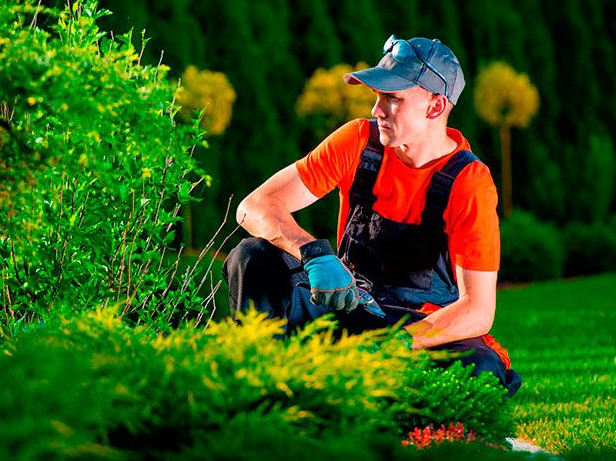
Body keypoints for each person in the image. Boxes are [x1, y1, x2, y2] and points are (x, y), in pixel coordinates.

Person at [223, 35, 521, 397]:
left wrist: (389, 348)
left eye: (393, 98)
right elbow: (252, 206)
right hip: (346, 304)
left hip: (415, 330)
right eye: (378, 96)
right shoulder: (357, 142)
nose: (377, 110)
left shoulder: (469, 183)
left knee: (480, 368)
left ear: (435, 106)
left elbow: (477, 310)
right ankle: (263, 392)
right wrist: (313, 253)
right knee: (252, 257)